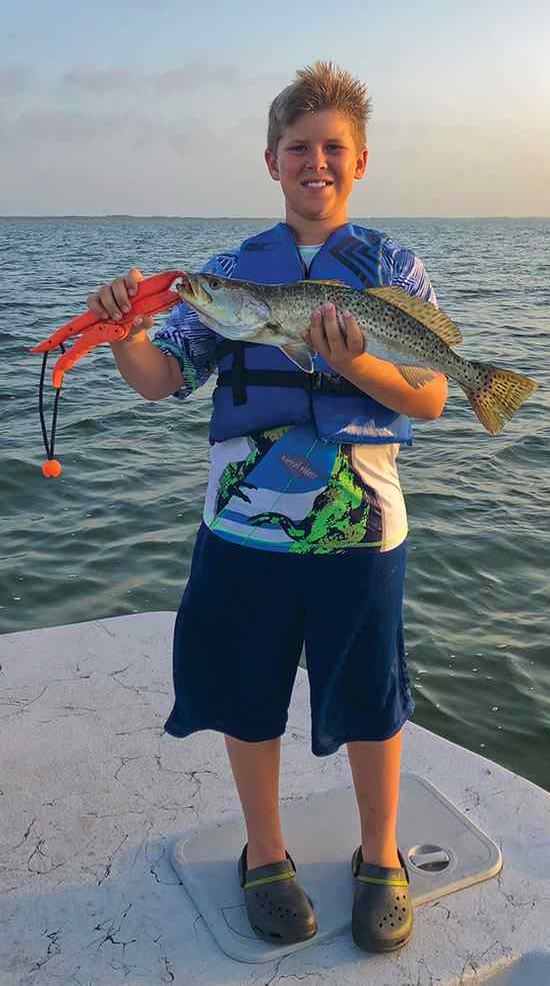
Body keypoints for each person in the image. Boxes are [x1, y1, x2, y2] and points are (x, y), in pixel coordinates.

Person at [87, 61, 447, 953]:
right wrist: (124, 331)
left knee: (370, 700)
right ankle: (267, 854)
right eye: (298, 148)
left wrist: (355, 361)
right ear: (271, 162)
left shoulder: (395, 267)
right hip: (242, 531)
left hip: (362, 533)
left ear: (359, 163)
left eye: (333, 149)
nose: (314, 163)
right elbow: (160, 378)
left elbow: (433, 397)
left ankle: (380, 858)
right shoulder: (224, 276)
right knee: (249, 699)